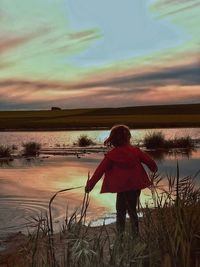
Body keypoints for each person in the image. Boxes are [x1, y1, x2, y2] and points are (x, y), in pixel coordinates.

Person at [85, 125, 157, 235]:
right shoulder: (136, 151)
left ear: (113, 140)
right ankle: (135, 235)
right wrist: (153, 168)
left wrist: (90, 186)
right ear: (128, 138)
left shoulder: (111, 155)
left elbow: (99, 171)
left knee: (120, 211)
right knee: (132, 210)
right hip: (134, 186)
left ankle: (120, 235)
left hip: (121, 188)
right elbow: (151, 163)